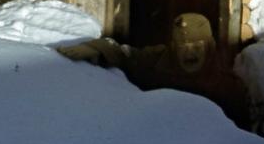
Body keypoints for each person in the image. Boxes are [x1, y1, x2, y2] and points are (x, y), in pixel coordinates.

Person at [57, 13, 250, 127]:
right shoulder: (157, 61)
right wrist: (95, 48)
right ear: (173, 47)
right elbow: (125, 54)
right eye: (183, 46)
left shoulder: (227, 84)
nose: (190, 53)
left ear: (208, 47)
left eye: (197, 46)